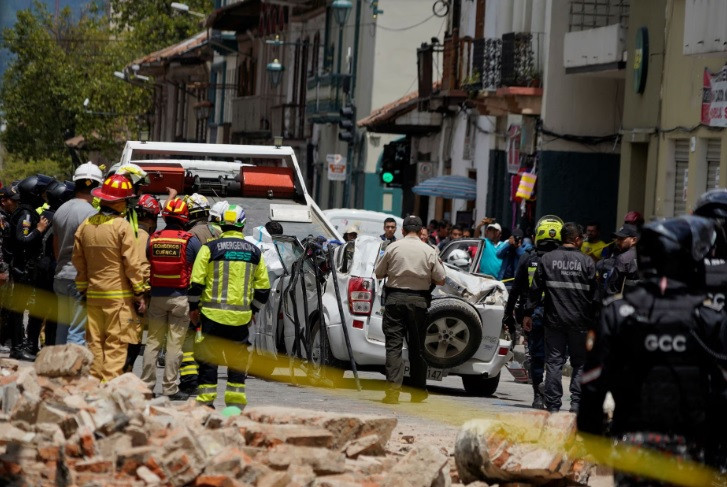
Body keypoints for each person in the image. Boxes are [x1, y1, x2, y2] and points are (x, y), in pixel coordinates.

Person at [578, 216, 727, 484]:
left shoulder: (617, 314)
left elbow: (591, 386)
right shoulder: (710, 317)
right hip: (691, 452)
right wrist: (716, 454)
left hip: (634, 448)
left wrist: (595, 443)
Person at [189, 204, 270, 409]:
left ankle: (206, 403)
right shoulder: (254, 252)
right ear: (242, 225)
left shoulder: (209, 248)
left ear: (221, 224)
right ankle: (234, 405)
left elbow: (196, 282)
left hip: (211, 315)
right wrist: (253, 310)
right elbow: (263, 289)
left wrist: (193, 309)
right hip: (240, 319)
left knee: (208, 361)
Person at [73, 174, 149, 381]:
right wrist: (140, 292)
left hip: (93, 295)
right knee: (115, 343)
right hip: (119, 298)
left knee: (95, 342)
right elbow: (132, 264)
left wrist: (83, 288)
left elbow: (78, 261)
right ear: (118, 201)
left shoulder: (86, 225)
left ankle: (95, 382)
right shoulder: (122, 226)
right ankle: (109, 385)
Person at [523, 222, 596, 413]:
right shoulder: (587, 262)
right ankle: (576, 403)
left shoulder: (547, 259)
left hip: (554, 320)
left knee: (554, 362)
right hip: (580, 322)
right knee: (579, 362)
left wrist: (528, 313)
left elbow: (535, 290)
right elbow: (595, 296)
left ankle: (553, 405)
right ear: (577, 239)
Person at [374, 215, 446, 404]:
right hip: (419, 302)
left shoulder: (393, 247)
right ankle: (417, 392)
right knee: (418, 348)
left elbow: (379, 273)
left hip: (395, 300)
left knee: (394, 347)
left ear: (403, 231)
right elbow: (441, 279)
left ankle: (392, 393)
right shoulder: (428, 250)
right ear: (421, 229)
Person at [142, 197, 201, 400]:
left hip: (157, 297)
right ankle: (170, 388)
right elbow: (199, 269)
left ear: (164, 217)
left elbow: (148, 260)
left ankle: (146, 386)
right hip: (181, 298)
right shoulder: (189, 240)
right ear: (185, 217)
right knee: (175, 345)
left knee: (152, 343)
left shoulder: (154, 238)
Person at [503, 215, 563, 409]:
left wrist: (509, 313)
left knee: (536, 357)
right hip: (560, 314)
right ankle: (550, 391)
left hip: (534, 313)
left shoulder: (529, 257)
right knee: (557, 357)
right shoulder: (565, 258)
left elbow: (516, 287)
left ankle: (538, 394)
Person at [54, 163, 103, 345]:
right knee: (77, 330)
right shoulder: (92, 214)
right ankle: (72, 371)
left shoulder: (61, 209)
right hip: (79, 278)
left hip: (61, 275)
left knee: (63, 326)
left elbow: (56, 244)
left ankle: (58, 368)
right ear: (96, 187)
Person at [7, 175, 53, 360]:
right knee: (17, 310)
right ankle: (17, 348)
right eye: (40, 193)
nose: (43, 197)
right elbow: (22, 239)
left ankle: (18, 347)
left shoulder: (27, 211)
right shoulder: (26, 214)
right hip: (22, 269)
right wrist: (39, 230)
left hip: (23, 268)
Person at [604, 224, 639, 296]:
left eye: (621, 239)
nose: (617, 242)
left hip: (629, 302)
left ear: (634, 240)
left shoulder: (623, 258)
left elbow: (612, 288)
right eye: (617, 238)